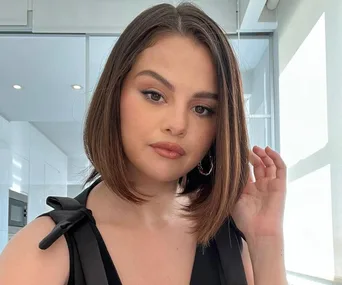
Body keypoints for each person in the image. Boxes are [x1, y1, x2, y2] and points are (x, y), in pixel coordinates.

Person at [0, 2, 287, 285]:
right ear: (115, 95)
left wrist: (266, 241)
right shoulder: (44, 250)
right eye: (154, 95)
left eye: (202, 109)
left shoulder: (230, 241)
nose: (177, 124)